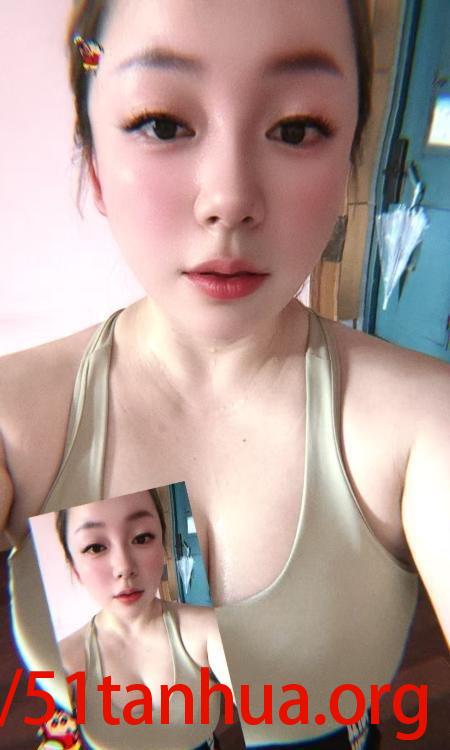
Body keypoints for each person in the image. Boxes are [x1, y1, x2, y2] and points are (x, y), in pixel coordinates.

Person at [0, 1, 448, 748]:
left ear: (348, 162)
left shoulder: (425, 423)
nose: (230, 200)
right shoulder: (16, 421)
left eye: (296, 129)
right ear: (96, 166)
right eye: (162, 123)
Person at [50, 490, 227, 750]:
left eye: (142, 538)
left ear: (162, 547)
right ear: (75, 569)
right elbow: (56, 741)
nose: (124, 567)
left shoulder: (207, 629)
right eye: (95, 547)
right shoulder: (62, 662)